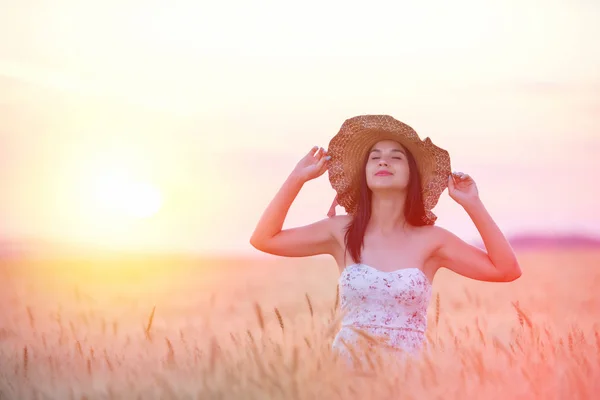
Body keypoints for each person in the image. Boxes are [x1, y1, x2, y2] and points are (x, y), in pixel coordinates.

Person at [249, 114, 522, 369]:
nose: (383, 162)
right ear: (364, 173)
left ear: (413, 174)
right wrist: (297, 178)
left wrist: (473, 204)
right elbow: (264, 239)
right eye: (375, 157)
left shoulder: (433, 240)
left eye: (396, 157)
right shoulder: (341, 231)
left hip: (408, 379)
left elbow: (506, 270)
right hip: (346, 376)